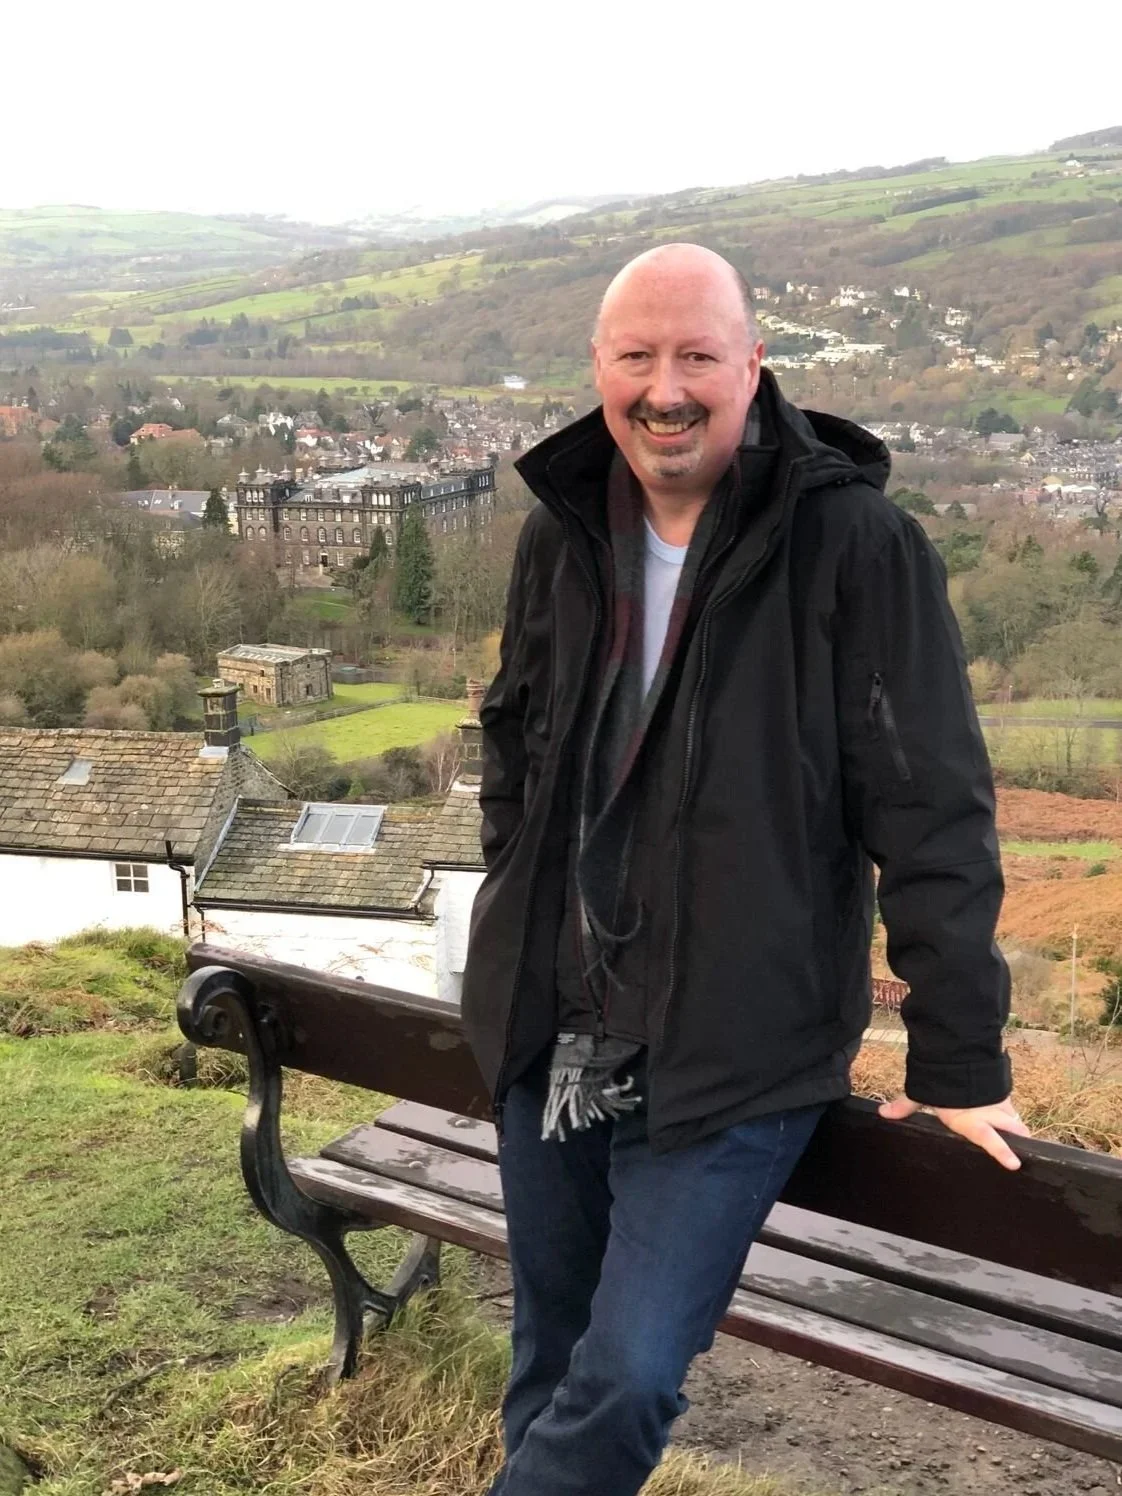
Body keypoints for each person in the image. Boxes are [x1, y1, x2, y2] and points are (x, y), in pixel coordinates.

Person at [462, 243, 1029, 1496]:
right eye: (638, 357)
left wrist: (962, 1060)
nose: (667, 389)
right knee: (551, 1357)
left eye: (698, 356)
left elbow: (932, 808)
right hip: (552, 1028)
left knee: (628, 1375)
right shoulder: (561, 533)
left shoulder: (855, 545)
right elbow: (514, 741)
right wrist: (517, 909)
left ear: (754, 365)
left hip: (734, 1052)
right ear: (599, 369)